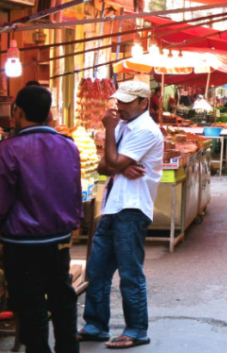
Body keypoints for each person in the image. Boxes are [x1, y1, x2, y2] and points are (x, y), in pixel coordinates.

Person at [0, 86, 82, 353]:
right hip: (58, 238)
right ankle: (68, 348)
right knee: (62, 296)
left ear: (18, 112)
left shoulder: (9, 149)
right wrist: (73, 222)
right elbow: (74, 189)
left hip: (22, 241)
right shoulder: (68, 145)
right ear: (48, 114)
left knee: (31, 301)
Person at [79, 81, 164, 348]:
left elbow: (112, 162)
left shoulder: (146, 130)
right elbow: (104, 166)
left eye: (127, 102)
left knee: (130, 273)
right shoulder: (125, 127)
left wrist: (110, 138)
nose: (120, 107)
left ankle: (137, 329)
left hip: (132, 208)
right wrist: (119, 165)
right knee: (97, 270)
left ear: (143, 103)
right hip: (113, 206)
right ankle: (95, 324)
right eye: (119, 101)